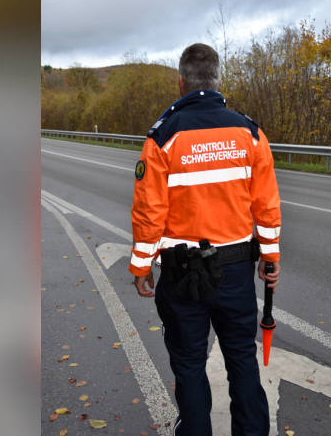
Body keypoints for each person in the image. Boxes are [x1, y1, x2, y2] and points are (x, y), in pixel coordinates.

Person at [129, 43, 281, 436]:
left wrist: (141, 266)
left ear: (181, 83)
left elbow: (150, 213)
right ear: (218, 80)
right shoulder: (250, 134)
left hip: (181, 276)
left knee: (190, 366)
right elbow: (267, 207)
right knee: (242, 361)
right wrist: (270, 259)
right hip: (234, 272)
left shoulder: (163, 137)